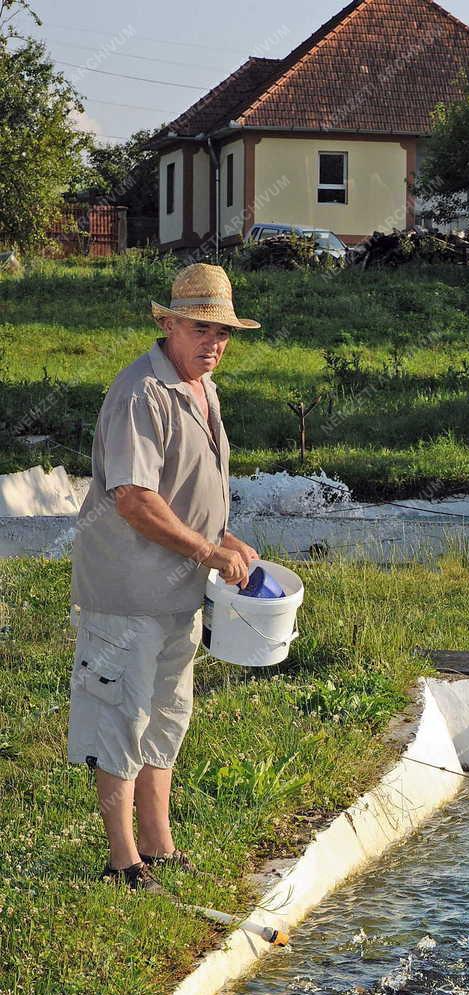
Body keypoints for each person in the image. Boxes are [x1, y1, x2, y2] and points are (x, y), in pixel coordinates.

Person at [69, 262, 261, 891]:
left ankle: (159, 844)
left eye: (224, 333)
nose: (215, 343)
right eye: (203, 329)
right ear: (170, 323)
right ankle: (121, 861)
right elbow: (133, 498)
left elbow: (188, 486)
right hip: (128, 589)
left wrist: (221, 536)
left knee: (166, 713)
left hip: (179, 587)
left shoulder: (201, 387)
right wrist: (207, 550)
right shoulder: (141, 393)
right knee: (120, 713)